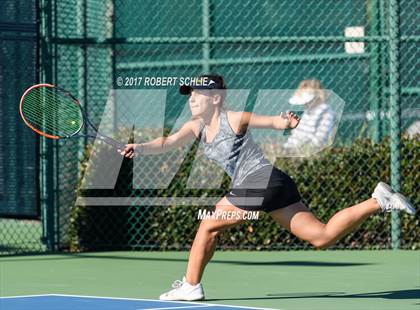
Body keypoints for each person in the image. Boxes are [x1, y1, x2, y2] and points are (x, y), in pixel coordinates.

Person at [121, 74, 415, 301]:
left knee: (207, 225)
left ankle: (190, 285)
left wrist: (285, 122)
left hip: (258, 180)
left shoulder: (232, 117)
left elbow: (270, 121)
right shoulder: (195, 126)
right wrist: (140, 147)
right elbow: (168, 142)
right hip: (273, 183)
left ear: (216, 99)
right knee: (321, 236)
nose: (192, 99)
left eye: (198, 94)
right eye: (190, 95)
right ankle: (377, 201)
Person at [283, 79, 335, 155]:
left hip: (312, 153)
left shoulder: (326, 113)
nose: (305, 104)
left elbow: (319, 139)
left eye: (308, 101)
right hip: (295, 149)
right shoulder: (308, 112)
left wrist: (299, 149)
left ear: (317, 97)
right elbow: (297, 134)